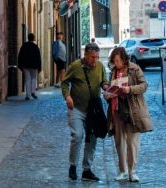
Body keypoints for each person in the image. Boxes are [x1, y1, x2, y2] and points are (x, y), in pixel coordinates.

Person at [103, 44, 151, 182]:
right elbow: (108, 84)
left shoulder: (135, 69)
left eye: (118, 61)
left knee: (132, 143)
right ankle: (123, 171)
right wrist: (107, 88)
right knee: (119, 143)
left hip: (132, 110)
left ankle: (133, 171)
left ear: (124, 59)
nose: (116, 64)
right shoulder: (113, 71)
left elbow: (144, 86)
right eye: (114, 61)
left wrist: (129, 89)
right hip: (116, 110)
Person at [61, 41, 106, 181]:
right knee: (78, 136)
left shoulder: (99, 66)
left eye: (97, 57)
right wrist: (67, 96)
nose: (95, 60)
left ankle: (87, 170)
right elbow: (64, 82)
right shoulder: (75, 66)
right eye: (93, 57)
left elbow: (104, 80)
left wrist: (106, 86)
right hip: (77, 108)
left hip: (93, 110)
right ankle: (72, 166)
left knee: (92, 138)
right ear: (85, 55)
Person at [17, 33, 42, 100]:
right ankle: (33, 92)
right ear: (33, 38)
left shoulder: (24, 46)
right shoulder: (35, 47)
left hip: (25, 66)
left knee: (27, 79)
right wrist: (39, 67)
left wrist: (20, 65)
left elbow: (20, 56)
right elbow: (38, 58)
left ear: (28, 38)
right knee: (33, 79)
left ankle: (27, 95)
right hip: (34, 66)